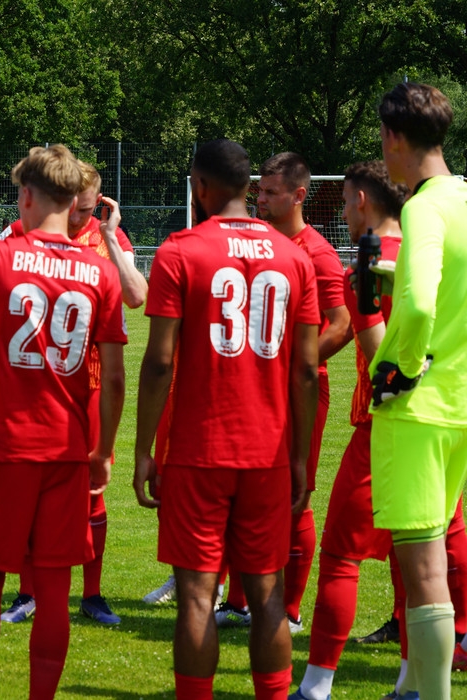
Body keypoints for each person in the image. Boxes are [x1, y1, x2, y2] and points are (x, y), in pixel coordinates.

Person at [134, 138, 320, 699]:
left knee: (195, 596)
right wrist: (301, 458)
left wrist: (145, 448)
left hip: (198, 449)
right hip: (268, 451)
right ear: (249, 189)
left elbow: (161, 360)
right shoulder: (296, 257)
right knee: (268, 594)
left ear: (200, 186)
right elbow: (306, 371)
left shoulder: (179, 250)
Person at [0, 144, 126, 699]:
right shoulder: (100, 269)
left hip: (4, 447)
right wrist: (102, 449)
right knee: (53, 590)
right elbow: (117, 379)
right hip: (68, 449)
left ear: (26, 195)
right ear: (75, 198)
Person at [0, 159, 146, 626]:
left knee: (92, 493)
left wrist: (109, 235)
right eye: (74, 208)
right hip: (34, 385)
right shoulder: (20, 231)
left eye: (87, 210)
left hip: (91, 386)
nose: (78, 218)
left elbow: (137, 296)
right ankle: (27, 593)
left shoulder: (107, 239)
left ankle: (92, 593)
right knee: (26, 492)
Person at [287, 160, 408, 700]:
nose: (342, 215)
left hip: (387, 422)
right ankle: (416, 679)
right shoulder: (441, 257)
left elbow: (377, 354)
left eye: (344, 204)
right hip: (447, 424)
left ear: (362, 200)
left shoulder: (366, 262)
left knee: (340, 556)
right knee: (424, 552)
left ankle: (316, 685)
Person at [216, 152, 350, 633]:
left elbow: (343, 323)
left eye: (271, 193)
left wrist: (297, 363)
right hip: (254, 390)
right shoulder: (258, 242)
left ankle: (290, 611)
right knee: (243, 493)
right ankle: (237, 602)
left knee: (296, 497)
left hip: (299, 393)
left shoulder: (316, 251)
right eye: (259, 191)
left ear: (299, 195)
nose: (261, 200)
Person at [369, 81, 467, 700]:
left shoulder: (423, 206)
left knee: (423, 568)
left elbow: (419, 299)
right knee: (437, 564)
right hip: (460, 405)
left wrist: (401, 366)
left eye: (383, 139)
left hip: (419, 408)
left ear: (398, 137)